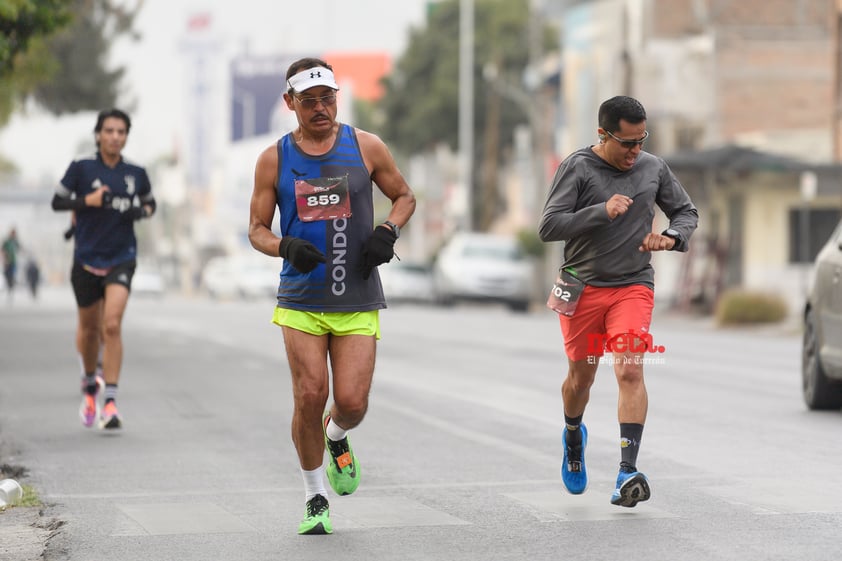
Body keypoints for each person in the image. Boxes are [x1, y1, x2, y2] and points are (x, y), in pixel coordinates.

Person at [248, 57, 415, 535]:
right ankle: (315, 495)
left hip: (356, 294)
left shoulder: (365, 146)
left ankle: (335, 434)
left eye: (328, 98)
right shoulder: (274, 159)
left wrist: (388, 230)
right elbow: (256, 230)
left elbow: (404, 196)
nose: (320, 108)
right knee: (309, 394)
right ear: (290, 103)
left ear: (336, 98)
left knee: (352, 401)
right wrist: (285, 246)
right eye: (309, 101)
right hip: (301, 298)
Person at [538, 95, 698, 508]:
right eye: (626, 143)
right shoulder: (578, 167)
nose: (635, 151)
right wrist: (599, 211)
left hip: (633, 285)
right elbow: (549, 226)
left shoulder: (653, 167)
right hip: (582, 287)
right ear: (603, 134)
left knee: (629, 369)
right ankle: (573, 435)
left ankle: (627, 470)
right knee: (581, 380)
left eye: (641, 140)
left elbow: (685, 212)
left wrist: (672, 237)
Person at [51, 108, 156, 430]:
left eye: (121, 132)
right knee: (90, 330)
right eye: (109, 131)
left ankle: (110, 402)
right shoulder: (81, 169)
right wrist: (89, 201)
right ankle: (88, 381)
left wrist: (140, 210)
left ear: (126, 136)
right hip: (85, 259)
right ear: (98, 134)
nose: (114, 137)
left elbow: (151, 204)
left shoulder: (136, 173)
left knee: (111, 325)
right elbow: (57, 202)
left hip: (121, 257)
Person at [2, 227, 20, 302]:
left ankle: (11, 287)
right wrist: (5, 258)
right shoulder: (6, 241)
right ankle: (9, 285)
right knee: (7, 275)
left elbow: (19, 248)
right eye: (13, 233)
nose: (13, 235)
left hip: (13, 262)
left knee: (12, 276)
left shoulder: (15, 241)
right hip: (7, 262)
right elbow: (2, 250)